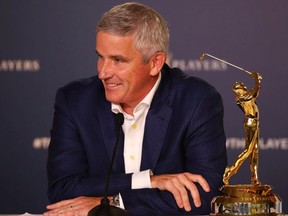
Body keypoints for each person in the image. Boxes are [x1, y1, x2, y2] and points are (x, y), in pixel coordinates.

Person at [44, 2, 227, 216]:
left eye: (118, 60)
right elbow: (62, 193)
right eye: (100, 57)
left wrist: (114, 203)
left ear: (155, 63)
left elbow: (205, 196)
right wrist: (148, 181)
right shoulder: (75, 100)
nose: (103, 73)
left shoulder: (195, 101)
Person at [223, 72, 262, 186]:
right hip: (251, 122)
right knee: (248, 150)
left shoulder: (244, 97)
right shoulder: (243, 97)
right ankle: (229, 171)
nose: (244, 88)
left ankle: (254, 178)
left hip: (254, 122)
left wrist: (256, 80)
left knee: (254, 151)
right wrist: (257, 79)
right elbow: (255, 91)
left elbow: (254, 92)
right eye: (242, 87)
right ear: (238, 90)